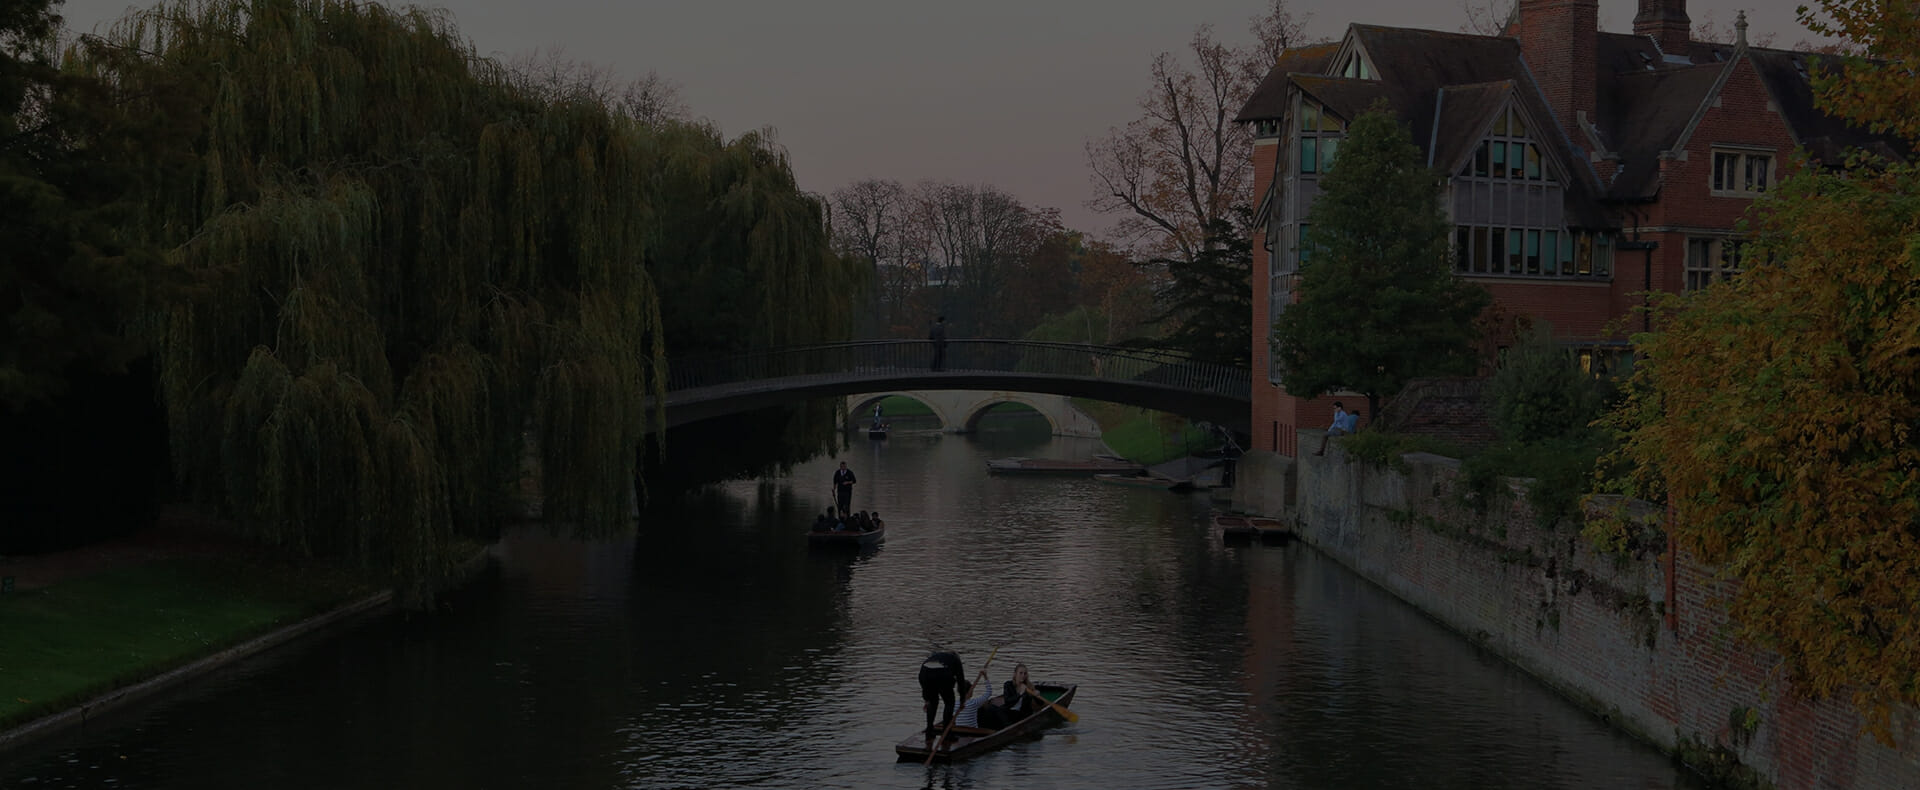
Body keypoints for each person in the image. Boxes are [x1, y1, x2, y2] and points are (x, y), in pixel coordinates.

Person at [919, 651, 966, 735]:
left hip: (924, 674)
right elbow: (961, 681)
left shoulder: (935, 656)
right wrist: (963, 700)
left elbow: (923, 683)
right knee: (949, 703)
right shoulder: (956, 660)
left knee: (932, 703)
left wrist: (926, 699)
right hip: (942, 675)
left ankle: (929, 731)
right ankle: (946, 733)